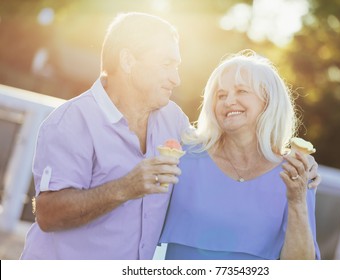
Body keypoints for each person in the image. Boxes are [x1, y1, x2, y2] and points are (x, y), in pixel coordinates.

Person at [20, 13, 320, 260]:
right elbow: (47, 214)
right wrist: (126, 187)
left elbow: (222, 148)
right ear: (128, 61)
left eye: (177, 66)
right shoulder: (70, 122)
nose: (176, 78)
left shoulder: (172, 119)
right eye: (167, 64)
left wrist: (303, 167)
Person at [159, 50, 321, 259]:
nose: (228, 101)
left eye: (241, 91)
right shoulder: (186, 156)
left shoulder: (295, 173)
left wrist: (298, 200)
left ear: (268, 101)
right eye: (221, 95)